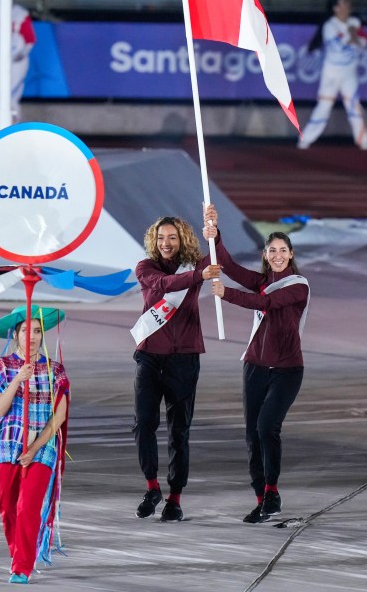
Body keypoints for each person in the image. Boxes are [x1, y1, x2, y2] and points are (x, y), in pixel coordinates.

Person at [209, 221, 309, 524]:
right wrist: (216, 233)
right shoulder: (262, 279)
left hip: (287, 370)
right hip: (254, 366)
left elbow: (265, 302)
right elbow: (227, 265)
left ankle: (272, 492)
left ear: (290, 254)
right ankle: (261, 500)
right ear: (265, 255)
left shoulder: (297, 286)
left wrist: (225, 294)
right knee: (253, 436)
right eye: (272, 251)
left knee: (267, 427)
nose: (277, 255)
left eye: (282, 250)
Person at [130, 209, 221, 522]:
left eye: (172, 237)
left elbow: (219, 258)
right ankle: (152, 486)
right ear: (154, 241)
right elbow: (164, 284)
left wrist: (214, 230)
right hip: (150, 355)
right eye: (161, 237)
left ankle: (175, 498)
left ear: (183, 239)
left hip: (184, 356)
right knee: (144, 424)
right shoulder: (146, 266)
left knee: (179, 431)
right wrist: (199, 276)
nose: (166, 242)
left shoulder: (197, 264)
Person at [0, 305, 69, 584]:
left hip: (41, 447)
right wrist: (18, 379)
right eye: (24, 331)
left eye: (36, 331)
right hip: (7, 444)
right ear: (15, 334)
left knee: (28, 506)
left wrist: (34, 449)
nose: (30, 336)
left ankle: (21, 566)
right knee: (7, 507)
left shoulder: (54, 369)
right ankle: (18, 551)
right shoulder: (0, 368)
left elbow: (60, 415)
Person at [298, 0, 367, 151]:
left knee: (354, 105)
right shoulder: (330, 26)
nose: (348, 5)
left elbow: (366, 42)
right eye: (344, 3)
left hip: (349, 73)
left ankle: (364, 141)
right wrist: (350, 36)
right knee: (324, 106)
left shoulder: (355, 22)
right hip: (332, 73)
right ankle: (305, 140)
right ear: (336, 8)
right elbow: (336, 46)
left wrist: (356, 37)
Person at [0, 0, 37, 123]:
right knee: (1, 97)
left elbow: (30, 38)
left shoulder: (21, 13)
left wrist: (23, 53)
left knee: (12, 96)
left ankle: (13, 130)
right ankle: (2, 129)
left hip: (16, 61)